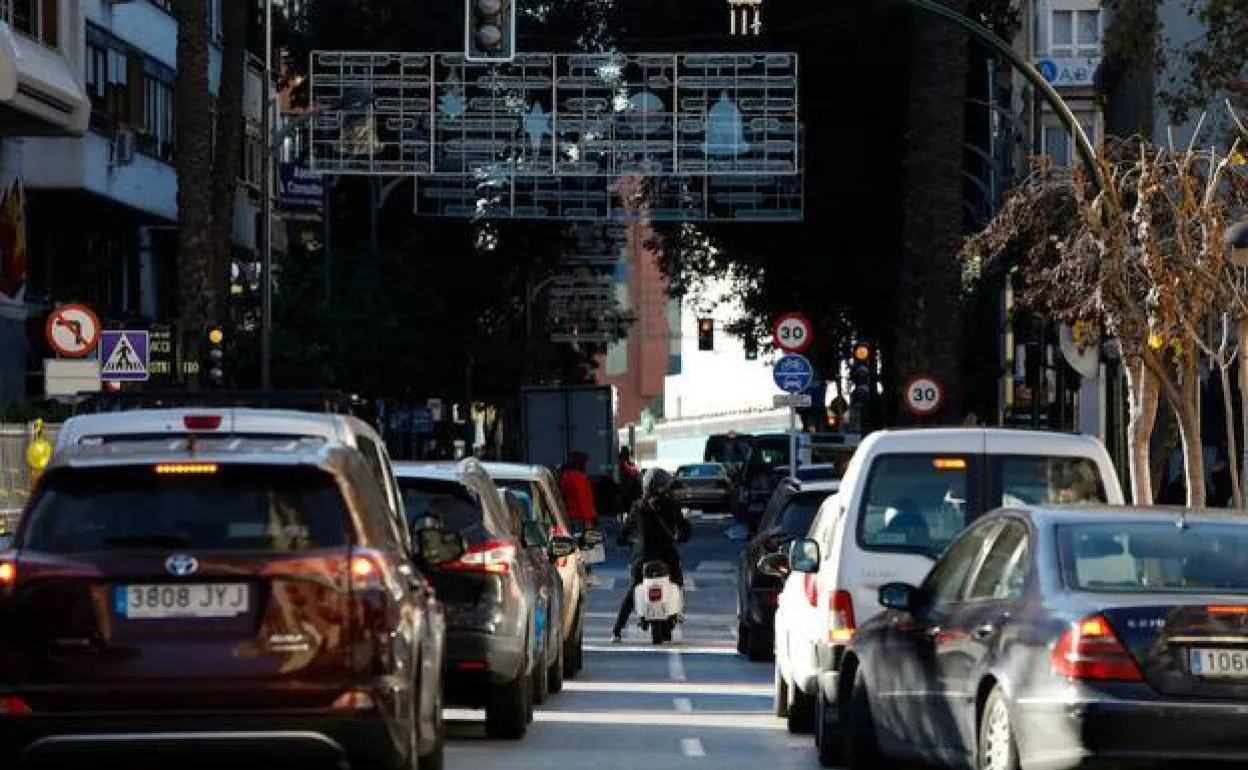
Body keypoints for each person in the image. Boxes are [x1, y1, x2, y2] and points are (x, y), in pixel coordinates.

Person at [611, 467, 692, 642]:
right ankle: (676, 613)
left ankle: (617, 629)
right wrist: (681, 537)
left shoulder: (637, 508)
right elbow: (685, 528)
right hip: (667, 558)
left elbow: (622, 535)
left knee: (633, 590)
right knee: (677, 583)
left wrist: (626, 541)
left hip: (642, 559)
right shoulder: (671, 505)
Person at [559, 450, 598, 533]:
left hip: (570, 514)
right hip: (581, 517)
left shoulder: (565, 476)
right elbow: (583, 500)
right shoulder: (580, 478)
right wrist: (589, 519)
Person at [616, 446, 643, 513]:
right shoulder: (620, 464)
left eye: (627, 455)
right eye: (625, 455)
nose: (627, 457)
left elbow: (635, 472)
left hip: (629, 492)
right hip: (624, 491)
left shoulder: (629, 464)